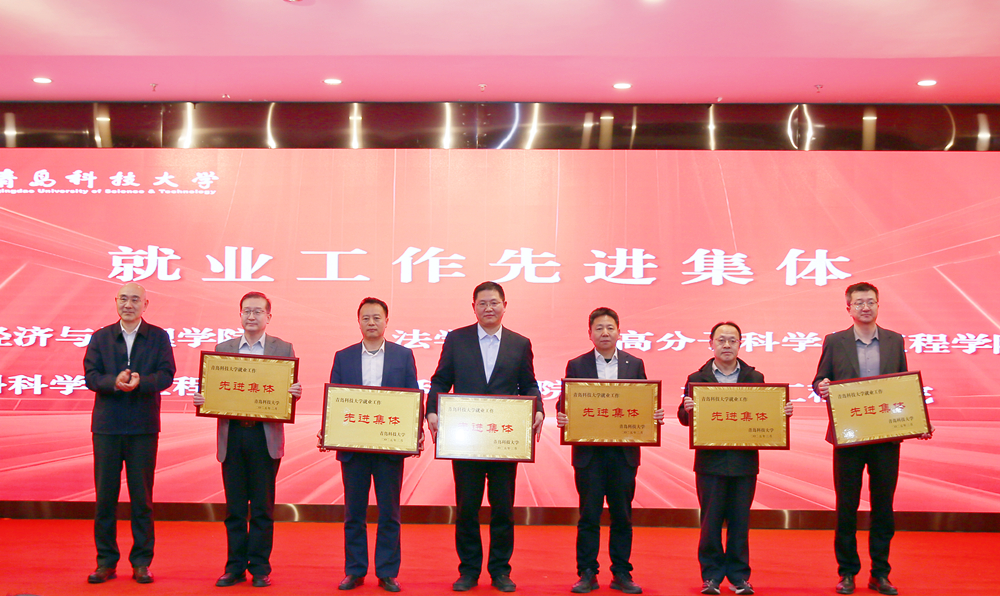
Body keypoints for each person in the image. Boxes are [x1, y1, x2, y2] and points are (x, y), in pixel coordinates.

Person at [813, 282, 932, 596]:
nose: (865, 307)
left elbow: (903, 386)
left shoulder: (894, 340)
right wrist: (822, 386)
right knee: (846, 506)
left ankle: (880, 573)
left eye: (870, 302)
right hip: (849, 437)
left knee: (883, 506)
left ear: (878, 305)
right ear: (848, 308)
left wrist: (918, 421)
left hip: (885, 438)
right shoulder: (835, 341)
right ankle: (847, 573)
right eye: (859, 303)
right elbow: (820, 379)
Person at [426, 281, 544, 593]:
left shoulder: (520, 343)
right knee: (467, 507)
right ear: (474, 307)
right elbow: (440, 380)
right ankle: (468, 571)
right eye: (482, 303)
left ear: (505, 305)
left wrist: (538, 409)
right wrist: (432, 410)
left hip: (504, 439)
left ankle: (500, 571)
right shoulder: (457, 339)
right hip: (467, 439)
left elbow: (529, 384)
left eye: (494, 302)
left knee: (503, 508)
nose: (488, 308)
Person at [193, 291, 302, 588]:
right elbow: (214, 391)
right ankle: (235, 568)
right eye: (247, 311)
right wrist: (203, 399)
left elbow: (286, 390)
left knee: (263, 507)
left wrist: (293, 394)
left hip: (264, 436)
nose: (251, 316)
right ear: (240, 315)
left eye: (258, 311)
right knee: (236, 508)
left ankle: (260, 568)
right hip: (233, 435)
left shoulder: (282, 348)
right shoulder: (223, 349)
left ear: (269, 316)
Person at [678, 322, 793, 596]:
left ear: (740, 344)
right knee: (711, 523)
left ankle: (739, 577)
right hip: (710, 462)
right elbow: (684, 419)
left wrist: (781, 412)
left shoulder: (755, 377)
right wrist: (687, 409)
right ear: (711, 344)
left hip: (744, 462)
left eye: (732, 340)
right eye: (721, 340)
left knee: (740, 522)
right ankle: (711, 577)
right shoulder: (697, 378)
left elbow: (765, 414)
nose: (727, 345)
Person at [556, 307, 664, 595]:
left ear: (619, 332)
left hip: (623, 455)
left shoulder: (634, 364)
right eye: (599, 328)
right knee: (589, 516)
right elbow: (565, 401)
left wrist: (653, 414)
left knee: (622, 516)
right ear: (590, 333)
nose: (604, 333)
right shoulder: (576, 364)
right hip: (589, 455)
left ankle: (621, 573)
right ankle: (587, 573)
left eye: (610, 328)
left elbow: (643, 401)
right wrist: (563, 413)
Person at [83, 282, 176, 584]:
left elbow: (167, 374)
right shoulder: (101, 337)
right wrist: (114, 381)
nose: (128, 304)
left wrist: (141, 382)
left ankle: (141, 562)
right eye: (123, 299)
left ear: (145, 305)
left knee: (142, 499)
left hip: (143, 428)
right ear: (116, 302)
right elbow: (90, 376)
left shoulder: (158, 337)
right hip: (107, 428)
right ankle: (106, 562)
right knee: (105, 498)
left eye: (135, 300)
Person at [330, 298, 420, 593]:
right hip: (353, 449)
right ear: (358, 322)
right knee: (353, 513)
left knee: (389, 512)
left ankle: (387, 572)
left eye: (377, 317)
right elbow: (336, 401)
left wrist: (414, 431)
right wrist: (329, 429)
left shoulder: (403, 355)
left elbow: (412, 396)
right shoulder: (343, 357)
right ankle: (354, 570)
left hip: (388, 449)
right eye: (366, 318)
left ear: (386, 321)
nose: (371, 322)